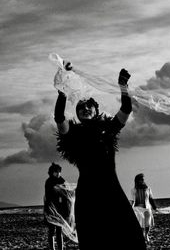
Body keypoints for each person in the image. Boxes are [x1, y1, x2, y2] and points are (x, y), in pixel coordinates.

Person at [54, 62, 146, 249]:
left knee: (131, 239)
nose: (85, 109)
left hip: (112, 191)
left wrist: (123, 86)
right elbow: (59, 118)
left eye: (89, 106)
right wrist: (63, 91)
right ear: (77, 114)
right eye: (81, 108)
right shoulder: (72, 135)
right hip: (88, 195)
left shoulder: (108, 130)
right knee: (94, 241)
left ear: (96, 110)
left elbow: (126, 110)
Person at [44, 163, 67, 250]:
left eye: (59, 172)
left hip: (60, 209)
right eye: (56, 172)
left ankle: (60, 248)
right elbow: (48, 196)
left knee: (59, 230)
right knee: (51, 230)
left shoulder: (62, 181)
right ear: (51, 172)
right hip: (50, 208)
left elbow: (65, 196)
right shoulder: (49, 182)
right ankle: (52, 248)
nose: (58, 174)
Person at [131, 173, 157, 242]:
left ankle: (146, 235)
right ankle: (143, 235)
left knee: (148, 224)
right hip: (138, 209)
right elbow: (133, 200)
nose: (142, 180)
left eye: (143, 179)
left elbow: (151, 198)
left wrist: (155, 207)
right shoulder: (133, 190)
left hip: (147, 208)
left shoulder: (148, 188)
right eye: (141, 179)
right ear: (137, 180)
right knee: (141, 224)